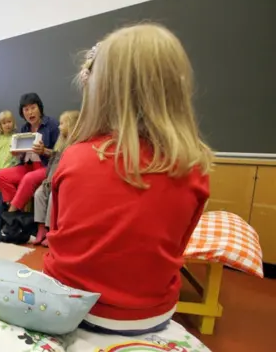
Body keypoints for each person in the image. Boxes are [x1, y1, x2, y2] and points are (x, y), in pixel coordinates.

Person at [44, 23, 213, 335]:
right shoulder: (193, 167)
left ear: (99, 89)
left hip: (73, 305)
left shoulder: (76, 157)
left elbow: (58, 237)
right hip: (152, 313)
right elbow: (178, 244)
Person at [0, 93, 59, 213]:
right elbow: (24, 154)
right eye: (26, 109)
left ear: (40, 108)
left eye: (33, 108)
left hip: (46, 167)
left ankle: (11, 214)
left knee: (28, 178)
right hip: (27, 166)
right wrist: (18, 153)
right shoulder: (24, 128)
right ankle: (19, 212)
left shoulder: (52, 125)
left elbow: (60, 154)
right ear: (22, 113)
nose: (30, 112)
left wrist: (44, 151)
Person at [32, 110, 80, 246]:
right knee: (39, 194)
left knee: (54, 197)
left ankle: (50, 229)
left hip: (62, 182)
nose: (59, 127)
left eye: (62, 123)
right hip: (50, 179)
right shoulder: (60, 144)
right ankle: (40, 227)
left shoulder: (75, 146)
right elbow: (53, 157)